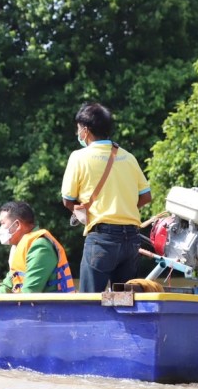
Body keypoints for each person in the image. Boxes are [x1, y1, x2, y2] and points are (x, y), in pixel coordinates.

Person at [62, 102, 152, 292]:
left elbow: (68, 199)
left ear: (85, 130)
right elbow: (146, 196)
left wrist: (79, 211)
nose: (78, 133)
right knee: (125, 301)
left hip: (102, 239)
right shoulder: (128, 157)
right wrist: (123, 209)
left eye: (78, 129)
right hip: (131, 240)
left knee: (90, 300)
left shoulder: (79, 157)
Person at [0, 201, 75, 293]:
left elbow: (30, 292)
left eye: (2, 223)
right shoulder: (20, 248)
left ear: (17, 225)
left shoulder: (40, 247)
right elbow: (7, 285)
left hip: (50, 303)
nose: (0, 229)